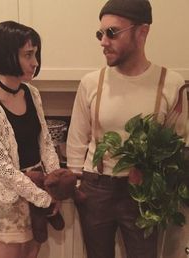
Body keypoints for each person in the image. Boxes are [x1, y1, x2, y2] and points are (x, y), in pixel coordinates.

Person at [66, 0, 188, 258]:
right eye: (100, 33)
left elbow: (176, 146)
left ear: (142, 32)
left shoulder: (170, 83)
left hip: (143, 194)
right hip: (95, 189)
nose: (103, 41)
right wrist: (77, 186)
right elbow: (77, 140)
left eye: (112, 32)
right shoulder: (91, 83)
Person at [0, 21, 61, 258]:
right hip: (11, 198)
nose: (36, 62)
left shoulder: (32, 93)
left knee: (33, 253)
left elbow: (45, 141)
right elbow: (2, 169)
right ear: (6, 55)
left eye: (36, 54)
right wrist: (43, 198)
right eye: (28, 55)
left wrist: (55, 183)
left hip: (39, 188)